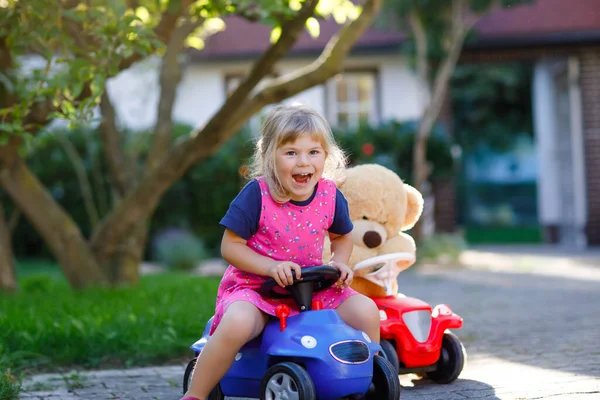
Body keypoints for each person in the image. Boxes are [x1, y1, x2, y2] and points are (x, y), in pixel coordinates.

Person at [181, 103, 380, 400]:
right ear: (270, 156)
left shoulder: (329, 195)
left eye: (313, 152)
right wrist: (270, 267)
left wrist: (339, 262)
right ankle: (195, 394)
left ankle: (368, 381)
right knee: (237, 322)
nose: (303, 162)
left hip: (311, 288)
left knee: (367, 311)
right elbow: (230, 246)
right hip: (257, 288)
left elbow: (341, 237)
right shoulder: (257, 194)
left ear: (326, 156)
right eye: (291, 153)